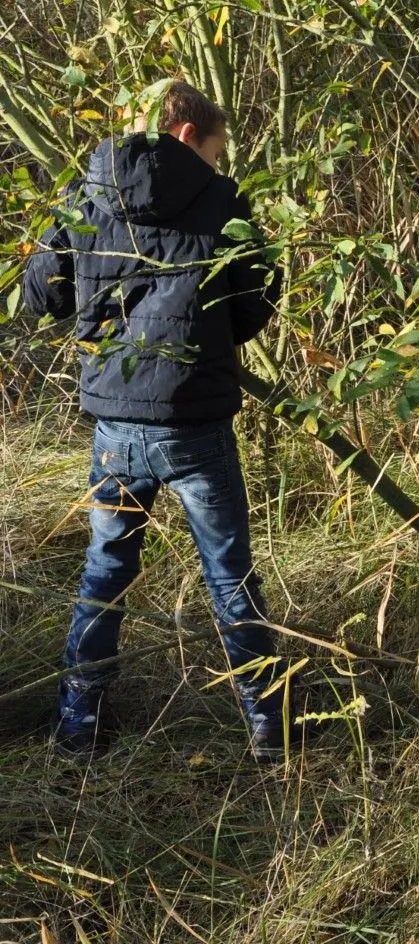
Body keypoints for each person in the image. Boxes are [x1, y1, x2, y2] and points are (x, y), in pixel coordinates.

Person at [22, 79, 290, 762]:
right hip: (195, 422)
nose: (218, 162)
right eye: (214, 148)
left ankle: (79, 727)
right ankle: (267, 725)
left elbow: (40, 292)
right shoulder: (222, 200)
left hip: (115, 424)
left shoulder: (89, 195)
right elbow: (254, 308)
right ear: (183, 135)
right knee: (228, 575)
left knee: (105, 569)